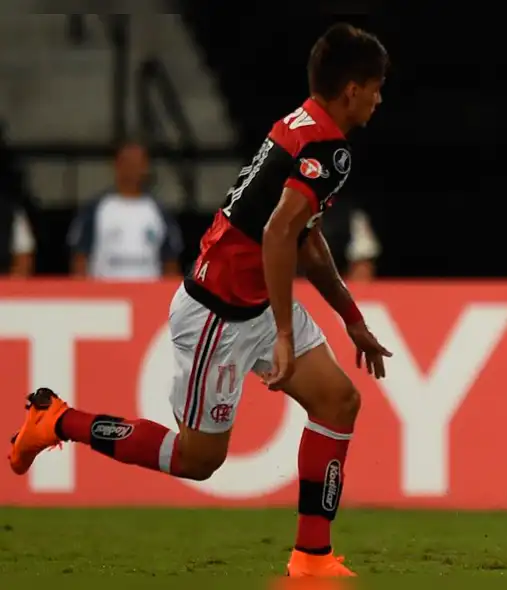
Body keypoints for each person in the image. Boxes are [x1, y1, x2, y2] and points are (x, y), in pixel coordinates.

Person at [8, 23, 392, 578]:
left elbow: (302, 238)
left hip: (252, 300)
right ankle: (57, 420)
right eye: (377, 87)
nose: (380, 99)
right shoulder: (329, 149)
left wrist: (351, 318)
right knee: (199, 459)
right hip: (219, 312)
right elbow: (282, 234)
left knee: (338, 402)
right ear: (352, 89)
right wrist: (285, 336)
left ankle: (311, 557)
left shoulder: (301, 125)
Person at [67, 140, 184, 280]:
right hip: (107, 296)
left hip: (149, 296)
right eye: (129, 162)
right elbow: (80, 259)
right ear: (117, 164)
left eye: (140, 163)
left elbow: (170, 263)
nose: (134, 168)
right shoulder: (96, 209)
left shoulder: (159, 212)